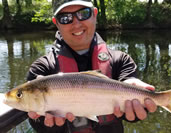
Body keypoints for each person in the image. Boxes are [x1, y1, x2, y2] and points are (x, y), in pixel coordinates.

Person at [27, 0, 157, 133]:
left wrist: (137, 105)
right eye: (65, 18)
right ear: (56, 23)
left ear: (94, 14)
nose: (76, 23)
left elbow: (132, 114)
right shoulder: (41, 69)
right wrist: (49, 124)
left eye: (83, 13)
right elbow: (36, 122)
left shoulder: (121, 60)